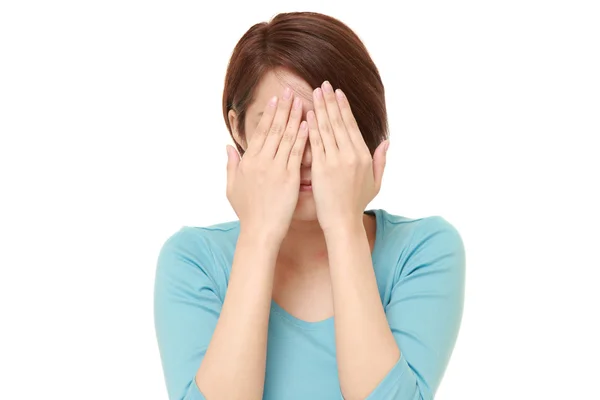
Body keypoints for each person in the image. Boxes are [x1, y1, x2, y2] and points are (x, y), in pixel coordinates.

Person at [154, 11, 465, 400]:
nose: (303, 155)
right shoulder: (192, 259)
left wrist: (344, 224)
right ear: (238, 128)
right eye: (281, 126)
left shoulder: (424, 249)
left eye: (326, 127)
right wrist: (259, 235)